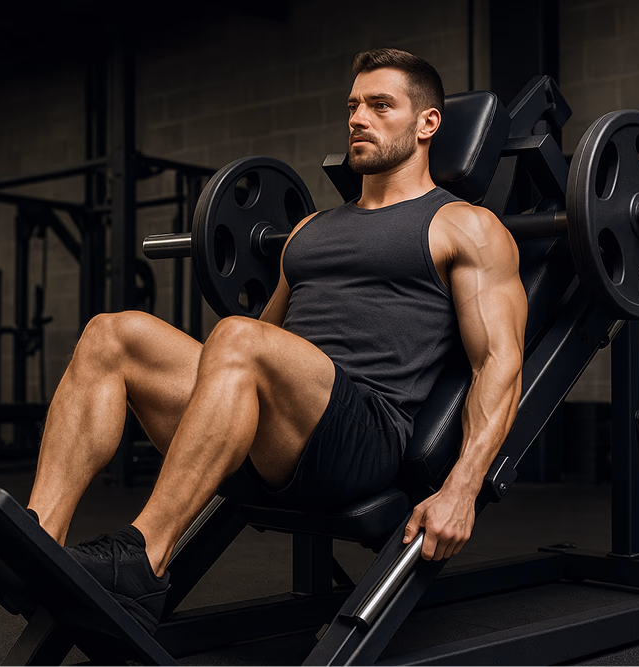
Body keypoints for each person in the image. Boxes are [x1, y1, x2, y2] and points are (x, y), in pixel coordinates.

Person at [26, 48, 527, 634]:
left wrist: (460, 490)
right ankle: (37, 541)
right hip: (281, 429)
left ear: (427, 124)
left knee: (240, 338)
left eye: (380, 105)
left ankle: (145, 560)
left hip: (362, 434)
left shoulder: (464, 225)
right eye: (353, 106)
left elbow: (500, 363)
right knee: (112, 333)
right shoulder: (311, 229)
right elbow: (257, 345)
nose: (358, 118)